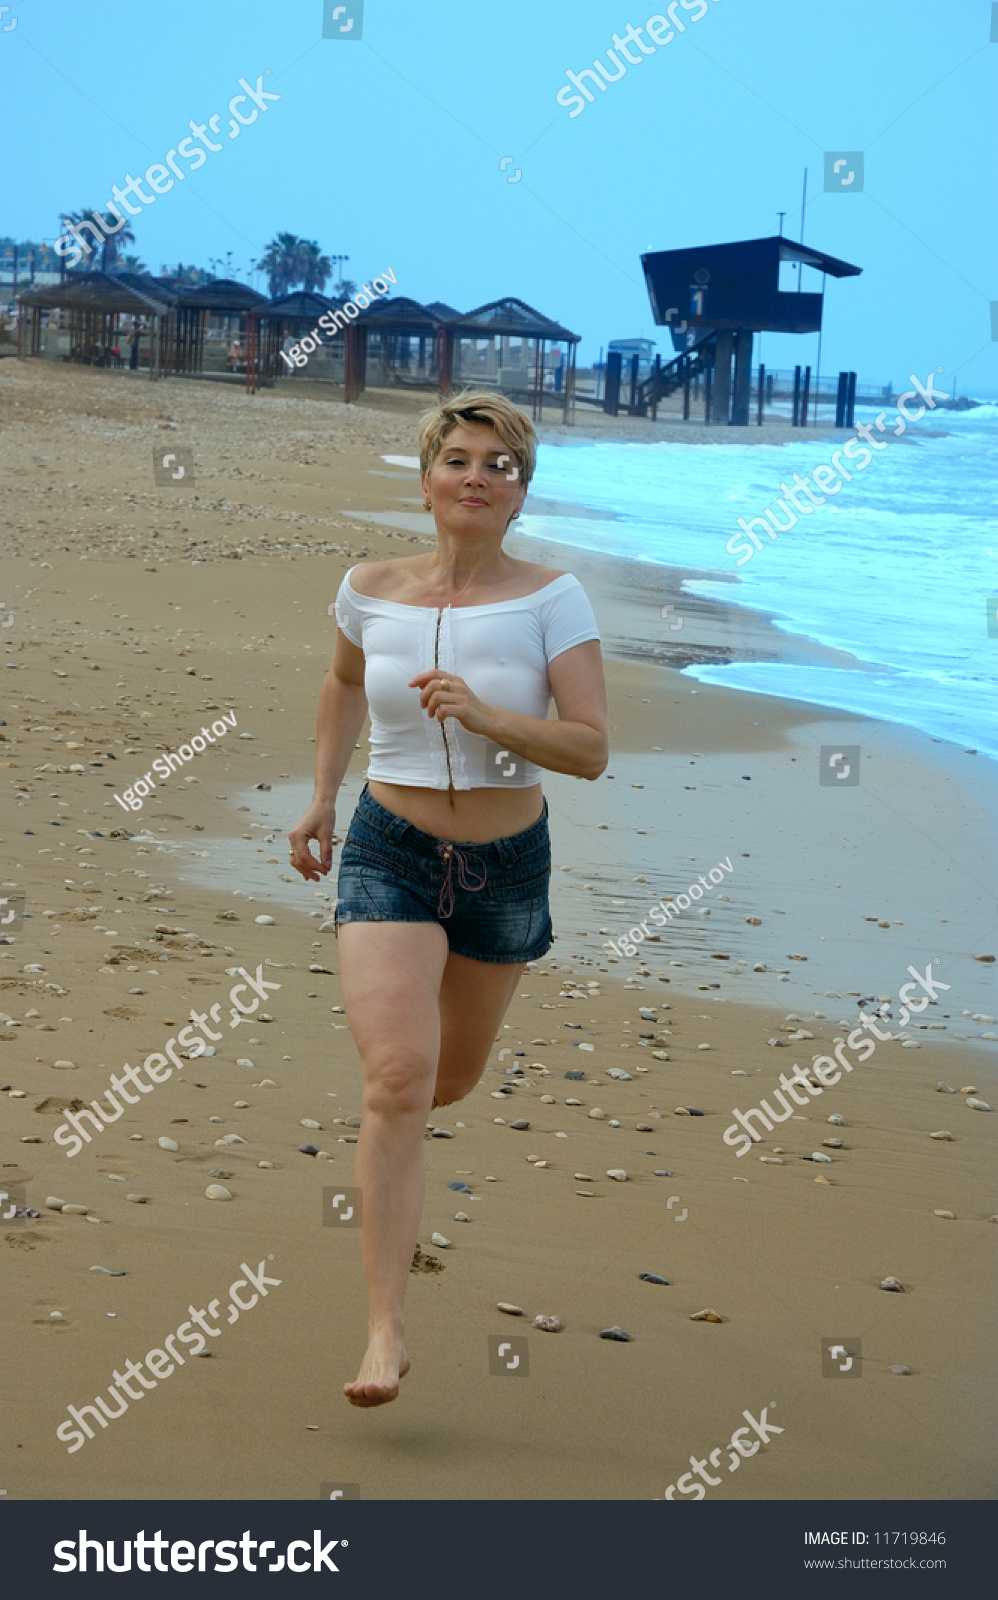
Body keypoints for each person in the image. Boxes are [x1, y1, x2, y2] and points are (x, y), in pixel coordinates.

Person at [288, 391, 608, 1407]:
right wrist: (320, 799)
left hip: (506, 866)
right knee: (394, 1076)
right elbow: (343, 683)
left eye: (499, 465)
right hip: (389, 846)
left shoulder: (551, 598)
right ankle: (383, 1330)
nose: (477, 476)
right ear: (425, 478)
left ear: (519, 491)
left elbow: (590, 749)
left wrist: (488, 716)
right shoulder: (368, 588)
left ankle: (399, 1159)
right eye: (458, 459)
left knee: (445, 1082)